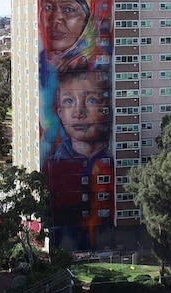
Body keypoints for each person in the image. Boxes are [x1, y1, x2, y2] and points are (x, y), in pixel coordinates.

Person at [45, 70, 113, 249]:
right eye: (69, 101)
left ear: (105, 107)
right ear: (59, 112)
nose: (78, 112)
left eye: (91, 100)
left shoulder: (114, 158)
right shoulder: (54, 164)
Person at [40, 0, 108, 72]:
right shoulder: (44, 65)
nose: (55, 19)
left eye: (69, 9)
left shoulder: (98, 69)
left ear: (90, 20)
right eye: (48, 7)